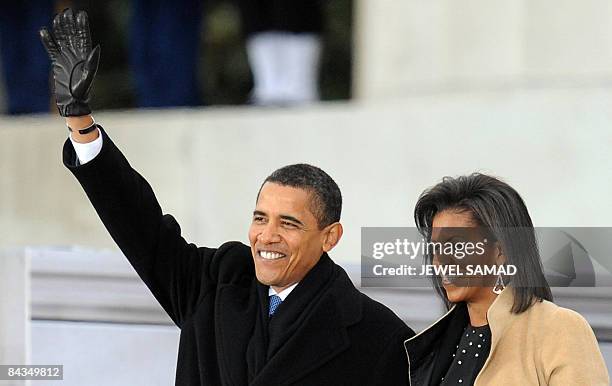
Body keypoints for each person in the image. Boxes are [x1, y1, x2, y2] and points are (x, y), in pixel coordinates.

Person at [39, 9, 414, 385]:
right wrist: (80, 124)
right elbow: (140, 226)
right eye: (260, 218)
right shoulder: (216, 282)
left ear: (330, 236)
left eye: (289, 223)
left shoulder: (381, 337)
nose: (267, 236)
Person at [405, 173, 609, 385]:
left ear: (500, 251)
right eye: (436, 248)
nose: (440, 262)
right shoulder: (436, 346)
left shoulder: (559, 328)